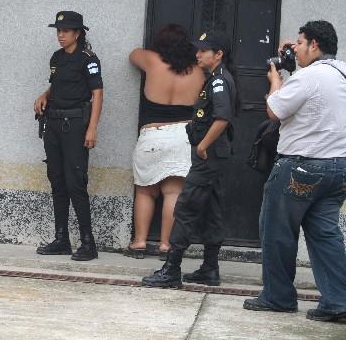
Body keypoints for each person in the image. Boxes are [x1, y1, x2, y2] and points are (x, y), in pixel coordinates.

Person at [243, 20, 346, 322]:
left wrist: (276, 78)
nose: (296, 48)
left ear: (314, 45)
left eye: (300, 43)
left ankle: (278, 297)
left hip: (300, 167)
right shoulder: (341, 72)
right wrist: (295, 56)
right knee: (325, 234)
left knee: (277, 230)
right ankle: (338, 301)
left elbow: (275, 109)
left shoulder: (309, 77)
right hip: (338, 168)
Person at [142, 31, 239, 288]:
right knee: (211, 210)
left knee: (185, 209)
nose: (197, 55)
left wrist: (202, 146)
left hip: (208, 157)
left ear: (218, 54)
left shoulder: (218, 81)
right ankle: (210, 268)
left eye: (203, 51)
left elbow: (222, 118)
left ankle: (171, 269)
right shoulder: (216, 78)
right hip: (216, 157)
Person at [125, 24, 205, 260]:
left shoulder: (151, 60)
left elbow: (132, 54)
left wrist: (154, 52)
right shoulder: (198, 71)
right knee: (173, 192)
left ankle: (139, 243)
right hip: (183, 134)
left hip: (153, 134)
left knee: (146, 191)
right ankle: (166, 246)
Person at [33, 11, 104, 261]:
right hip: (53, 123)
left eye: (66, 31)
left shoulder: (88, 59)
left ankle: (88, 242)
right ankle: (61, 239)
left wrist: (92, 128)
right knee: (57, 181)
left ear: (78, 33)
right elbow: (58, 84)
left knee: (76, 182)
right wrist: (44, 95)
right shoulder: (57, 58)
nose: (61, 35)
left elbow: (97, 93)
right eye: (58, 31)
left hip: (75, 125)